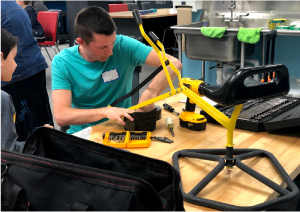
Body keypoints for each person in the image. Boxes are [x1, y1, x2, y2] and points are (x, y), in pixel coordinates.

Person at [52, 6, 182, 134]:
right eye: (103, 47)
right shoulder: (63, 62)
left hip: (121, 130)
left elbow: (174, 63)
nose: (110, 52)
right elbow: (61, 116)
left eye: (112, 43)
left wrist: (150, 94)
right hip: (85, 135)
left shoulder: (123, 45)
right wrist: (104, 111)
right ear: (81, 42)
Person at [0, 0, 53, 141]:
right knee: (38, 128)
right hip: (28, 67)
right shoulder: (10, 4)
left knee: (22, 135)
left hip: (15, 74)